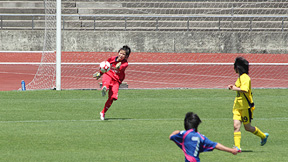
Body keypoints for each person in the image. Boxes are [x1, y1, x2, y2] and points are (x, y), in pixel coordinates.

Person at [228, 56, 269, 152]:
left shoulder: (245, 78)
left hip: (245, 107)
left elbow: (245, 90)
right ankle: (237, 147)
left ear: (237, 68)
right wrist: (233, 86)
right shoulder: (240, 78)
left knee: (247, 127)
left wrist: (234, 88)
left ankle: (263, 136)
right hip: (237, 106)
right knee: (236, 126)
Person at [169, 112, 239, 162]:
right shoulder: (201, 137)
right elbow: (215, 145)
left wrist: (177, 131)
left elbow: (171, 137)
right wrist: (231, 150)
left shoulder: (183, 134)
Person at [93, 45, 131, 120]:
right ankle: (105, 88)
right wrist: (100, 73)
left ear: (126, 56)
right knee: (106, 82)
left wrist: (118, 66)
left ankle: (103, 112)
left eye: (123, 54)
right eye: (120, 53)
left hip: (116, 81)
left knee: (112, 97)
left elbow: (120, 68)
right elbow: (105, 66)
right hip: (108, 74)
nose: (121, 55)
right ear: (118, 53)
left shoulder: (125, 63)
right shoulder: (112, 59)